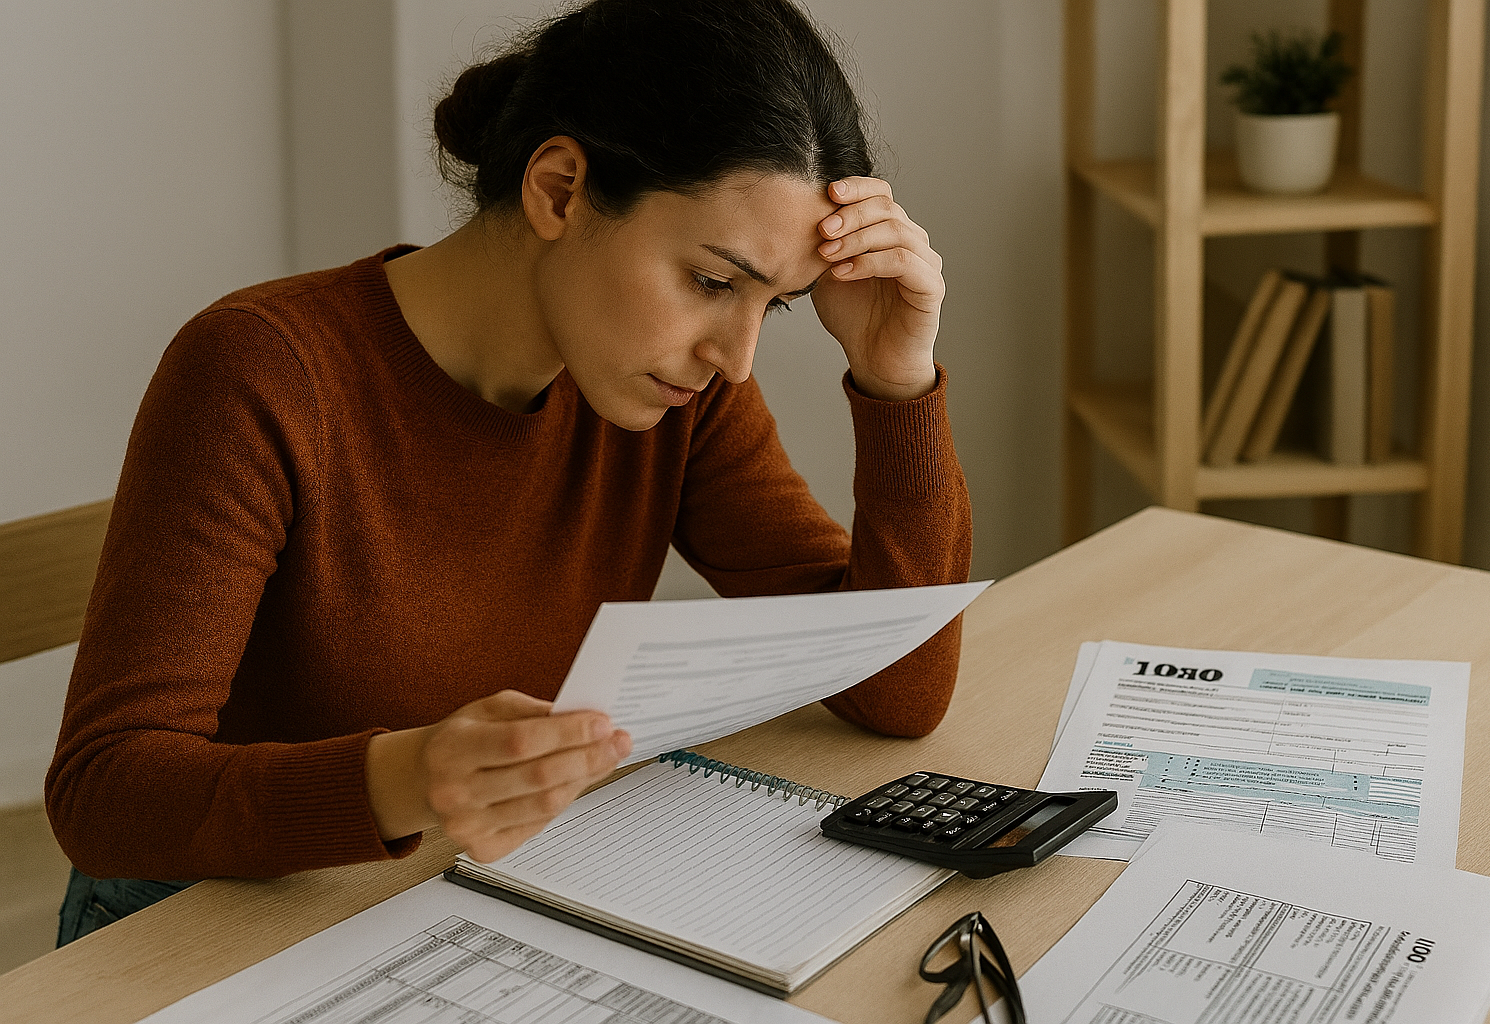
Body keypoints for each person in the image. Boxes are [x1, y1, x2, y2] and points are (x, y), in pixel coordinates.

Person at [46, 0, 970, 945]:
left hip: (452, 906)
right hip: (200, 924)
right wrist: (408, 776)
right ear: (561, 190)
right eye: (711, 281)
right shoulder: (263, 371)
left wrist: (897, 383)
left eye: (775, 305)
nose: (734, 356)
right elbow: (107, 793)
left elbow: (895, 695)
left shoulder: (675, 398)